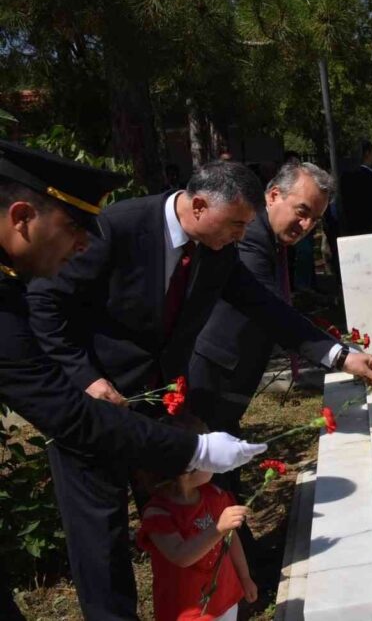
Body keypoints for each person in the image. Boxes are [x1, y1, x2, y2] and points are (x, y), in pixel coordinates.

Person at [26, 160, 372, 620]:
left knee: (175, 514)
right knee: (101, 539)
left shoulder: (217, 249)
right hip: (88, 407)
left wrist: (339, 355)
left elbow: (265, 308)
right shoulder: (118, 227)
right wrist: (89, 380)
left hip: (156, 408)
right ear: (199, 206)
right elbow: (44, 304)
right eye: (237, 224)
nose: (242, 236)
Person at [0, 140, 265, 619]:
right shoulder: (16, 300)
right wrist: (197, 450)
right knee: (100, 548)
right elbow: (65, 408)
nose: (85, 244)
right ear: (22, 217)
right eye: (74, 228)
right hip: (100, 410)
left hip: (141, 408)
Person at [190, 162, 333, 487]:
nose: (307, 224)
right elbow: (273, 313)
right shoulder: (249, 241)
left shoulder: (270, 241)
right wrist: (337, 354)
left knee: (221, 481)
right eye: (302, 211)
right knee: (208, 483)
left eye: (315, 218)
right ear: (273, 195)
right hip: (212, 380)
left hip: (227, 381)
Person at [136, 413, 257, 621]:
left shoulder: (215, 496)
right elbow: (181, 556)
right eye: (208, 456)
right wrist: (218, 527)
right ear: (186, 472)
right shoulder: (159, 514)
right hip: (189, 611)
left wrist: (244, 577)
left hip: (224, 596)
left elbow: (231, 539)